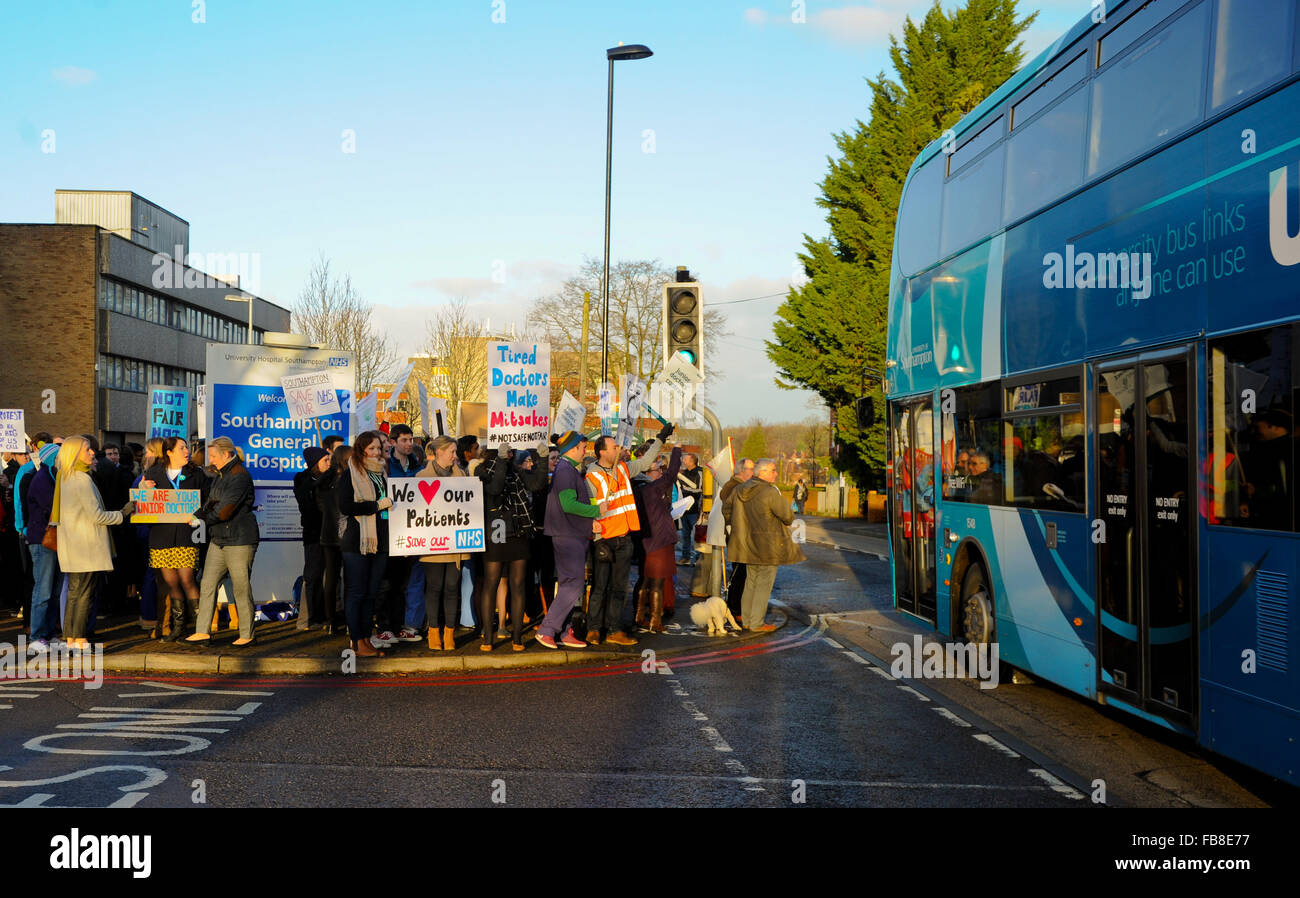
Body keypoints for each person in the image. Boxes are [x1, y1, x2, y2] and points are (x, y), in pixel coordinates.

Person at [585, 429, 667, 645]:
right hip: (603, 538)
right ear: (603, 452)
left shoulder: (623, 468)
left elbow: (646, 460)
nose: (619, 449)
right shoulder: (591, 474)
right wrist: (596, 535)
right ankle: (593, 628)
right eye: (614, 447)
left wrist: (660, 439)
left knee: (619, 588)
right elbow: (588, 506)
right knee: (600, 587)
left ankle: (614, 629)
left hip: (624, 537)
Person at [50, 437, 134, 648]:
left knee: (74, 594)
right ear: (76, 453)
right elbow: (97, 516)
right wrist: (123, 513)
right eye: (87, 450)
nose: (92, 453)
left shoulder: (65, 476)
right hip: (86, 546)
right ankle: (79, 639)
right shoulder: (82, 479)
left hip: (73, 545)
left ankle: (71, 638)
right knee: (85, 595)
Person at [187, 437, 258, 647]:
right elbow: (211, 503)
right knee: (207, 583)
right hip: (219, 539)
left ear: (227, 455)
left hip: (239, 539)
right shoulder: (221, 474)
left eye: (214, 456)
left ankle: (247, 635)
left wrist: (199, 519)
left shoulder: (240, 476)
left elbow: (225, 510)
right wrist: (196, 515)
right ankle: (202, 632)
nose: (211, 460)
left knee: (241, 588)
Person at [477, 441, 547, 651]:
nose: (511, 453)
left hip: (519, 531)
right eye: (507, 449)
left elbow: (536, 484)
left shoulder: (516, 470)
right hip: (496, 531)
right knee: (491, 583)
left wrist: (542, 460)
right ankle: (489, 638)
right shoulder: (483, 470)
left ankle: (517, 638)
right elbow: (495, 488)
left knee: (518, 585)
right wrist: (500, 460)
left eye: (511, 451)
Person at [537, 431, 604, 649]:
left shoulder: (565, 468)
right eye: (583, 447)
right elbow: (568, 504)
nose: (586, 451)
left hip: (570, 533)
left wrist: (589, 520)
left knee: (569, 585)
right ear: (573, 448)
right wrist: (596, 510)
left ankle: (564, 632)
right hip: (569, 535)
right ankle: (548, 630)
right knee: (573, 586)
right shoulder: (566, 470)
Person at [141, 437, 210, 641]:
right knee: (171, 582)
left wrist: (198, 516)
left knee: (187, 580)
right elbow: (142, 503)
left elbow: (208, 500)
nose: (186, 451)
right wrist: (144, 492)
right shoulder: (153, 473)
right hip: (161, 536)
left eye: (187, 447)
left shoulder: (196, 474)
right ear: (169, 452)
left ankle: (201, 628)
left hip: (187, 535)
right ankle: (178, 628)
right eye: (182, 448)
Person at [727, 458, 804, 630]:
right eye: (773, 470)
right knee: (763, 585)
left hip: (746, 545)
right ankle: (756, 623)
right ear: (762, 473)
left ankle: (747, 620)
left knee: (750, 583)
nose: (776, 473)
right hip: (767, 546)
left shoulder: (739, 490)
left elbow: (727, 512)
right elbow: (788, 517)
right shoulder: (770, 493)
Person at [336, 431, 392, 656]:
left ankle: (366, 638)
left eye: (379, 448)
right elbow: (346, 507)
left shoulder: (383, 472)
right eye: (371, 449)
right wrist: (376, 506)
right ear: (361, 450)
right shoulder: (350, 473)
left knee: (371, 593)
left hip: (381, 540)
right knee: (357, 592)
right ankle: (356, 640)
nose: (377, 452)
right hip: (357, 541)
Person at [418, 436, 468, 651]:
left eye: (455, 452)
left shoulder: (462, 475)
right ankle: (433, 632)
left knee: (451, 588)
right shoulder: (421, 476)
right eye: (452, 452)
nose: (455, 456)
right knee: (435, 587)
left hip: (456, 543)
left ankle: (449, 633)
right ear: (439, 452)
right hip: (432, 545)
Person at [630, 442, 682, 632]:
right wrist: (676, 450)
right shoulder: (651, 488)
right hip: (659, 540)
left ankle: (639, 615)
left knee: (644, 579)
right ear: (647, 468)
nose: (661, 470)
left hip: (645, 539)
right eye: (657, 467)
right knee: (658, 581)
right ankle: (655, 620)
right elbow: (672, 473)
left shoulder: (636, 485)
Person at [384, 424, 424, 644]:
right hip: (394, 533)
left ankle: (411, 625)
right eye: (404, 440)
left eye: (411, 440)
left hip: (418, 532)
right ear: (393, 442)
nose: (409, 444)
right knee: (394, 582)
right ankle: (392, 624)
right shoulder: (386, 467)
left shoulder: (418, 468)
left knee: (415, 580)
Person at [22, 443, 61, 650]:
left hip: (52, 540)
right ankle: (36, 636)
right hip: (42, 541)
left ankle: (48, 633)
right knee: (43, 591)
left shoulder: (52, 477)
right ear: (50, 459)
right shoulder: (42, 480)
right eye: (59, 457)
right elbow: (52, 507)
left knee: (53, 591)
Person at [294, 446, 331, 629]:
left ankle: (324, 616)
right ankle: (307, 619)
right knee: (312, 575)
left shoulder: (331, 478)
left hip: (330, 533)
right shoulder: (303, 480)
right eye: (325, 460)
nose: (329, 463)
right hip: (314, 534)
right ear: (315, 463)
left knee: (328, 577)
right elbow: (308, 503)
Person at [316, 443, 350, 635]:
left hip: (328, 534)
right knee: (350, 579)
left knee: (331, 578)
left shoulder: (324, 480)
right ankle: (346, 619)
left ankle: (331, 621)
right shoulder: (348, 479)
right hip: (345, 533)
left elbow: (319, 505)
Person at [720, 457, 755, 622]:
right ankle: (735, 609)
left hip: (737, 533)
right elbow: (730, 511)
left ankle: (736, 608)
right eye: (750, 468)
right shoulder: (736, 487)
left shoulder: (735, 485)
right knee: (740, 572)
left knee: (740, 571)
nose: (753, 472)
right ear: (742, 471)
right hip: (738, 534)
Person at [676, 452, 704, 564]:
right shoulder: (684, 472)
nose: (683, 461)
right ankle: (685, 557)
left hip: (695, 509)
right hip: (684, 509)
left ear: (692, 461)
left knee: (697, 535)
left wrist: (684, 487)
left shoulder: (700, 472)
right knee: (685, 535)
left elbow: (698, 489)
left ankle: (698, 557)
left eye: (685, 460)